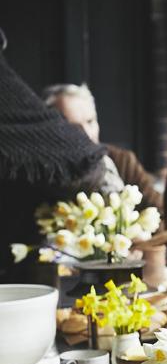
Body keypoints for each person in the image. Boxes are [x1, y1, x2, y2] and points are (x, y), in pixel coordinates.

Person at [0, 28, 109, 282]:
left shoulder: (118, 158)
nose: (84, 132)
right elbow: (85, 164)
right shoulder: (82, 159)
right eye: (73, 125)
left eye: (90, 121)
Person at [42, 83, 162, 210]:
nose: (87, 134)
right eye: (74, 127)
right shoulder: (43, 175)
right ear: (53, 131)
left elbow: (161, 210)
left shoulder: (123, 161)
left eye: (90, 121)